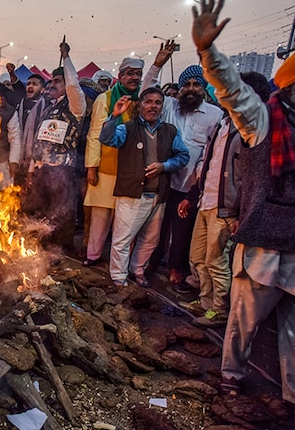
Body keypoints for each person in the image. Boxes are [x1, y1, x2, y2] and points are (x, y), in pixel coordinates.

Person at [192, 0, 295, 410]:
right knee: (243, 323)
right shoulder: (266, 120)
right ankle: (231, 376)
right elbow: (235, 95)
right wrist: (208, 54)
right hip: (266, 246)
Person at [177, 72, 271, 327]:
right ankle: (205, 301)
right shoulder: (221, 124)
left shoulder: (251, 131)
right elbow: (208, 164)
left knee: (217, 262)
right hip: (206, 201)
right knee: (197, 257)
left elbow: (253, 178)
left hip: (226, 208)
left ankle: (218, 310)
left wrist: (240, 213)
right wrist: (192, 196)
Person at [83, 49, 170, 267]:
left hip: (132, 171)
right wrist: (92, 166)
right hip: (106, 167)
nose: (133, 77)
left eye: (137, 74)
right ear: (120, 76)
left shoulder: (141, 101)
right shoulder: (105, 98)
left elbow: (149, 85)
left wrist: (157, 65)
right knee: (100, 218)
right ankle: (93, 256)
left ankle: (120, 264)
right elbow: (95, 133)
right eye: (129, 73)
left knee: (127, 223)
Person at [99, 87, 189, 287]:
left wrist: (163, 166)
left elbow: (183, 156)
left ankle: (137, 270)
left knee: (150, 240)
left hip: (158, 196)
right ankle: (118, 278)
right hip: (132, 194)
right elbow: (106, 139)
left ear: (162, 106)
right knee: (123, 240)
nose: (153, 106)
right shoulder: (127, 127)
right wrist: (114, 116)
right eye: (148, 102)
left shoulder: (170, 130)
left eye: (157, 102)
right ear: (140, 105)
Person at [145, 63, 223, 287]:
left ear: (203, 88)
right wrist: (158, 64)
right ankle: (153, 260)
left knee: (182, 230)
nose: (191, 89)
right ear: (179, 88)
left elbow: (209, 153)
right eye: (186, 84)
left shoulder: (214, 115)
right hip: (163, 179)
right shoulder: (169, 106)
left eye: (196, 84)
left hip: (190, 183)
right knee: (156, 225)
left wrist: (197, 184)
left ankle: (175, 266)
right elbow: (147, 90)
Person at [24, 41, 86, 251]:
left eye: (56, 81)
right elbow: (38, 142)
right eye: (50, 82)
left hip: (62, 171)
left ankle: (60, 254)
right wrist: (32, 171)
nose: (51, 85)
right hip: (42, 171)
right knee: (39, 212)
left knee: (61, 214)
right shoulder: (48, 109)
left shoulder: (75, 106)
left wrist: (66, 57)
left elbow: (73, 85)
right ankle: (39, 252)